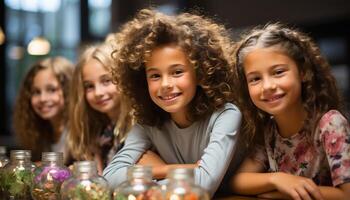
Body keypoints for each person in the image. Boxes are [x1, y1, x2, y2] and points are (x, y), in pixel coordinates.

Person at [103, 9, 242, 197]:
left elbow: (204, 184)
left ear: (201, 73)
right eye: (155, 75)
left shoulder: (226, 115)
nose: (166, 84)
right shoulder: (147, 123)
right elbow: (109, 178)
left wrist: (148, 173)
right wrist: (170, 169)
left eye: (177, 72)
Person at [230, 22, 350, 200]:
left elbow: (347, 195)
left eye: (278, 72)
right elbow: (238, 181)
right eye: (255, 79)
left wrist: (281, 194)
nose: (268, 86)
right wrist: (277, 179)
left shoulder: (330, 124)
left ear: (303, 72)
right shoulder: (269, 130)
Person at [67, 42, 133, 175]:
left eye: (106, 81)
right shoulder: (98, 131)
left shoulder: (139, 128)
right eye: (89, 86)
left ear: (123, 79)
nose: (98, 92)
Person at [13, 56, 74, 162]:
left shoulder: (82, 132)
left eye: (51, 90)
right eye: (36, 92)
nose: (42, 98)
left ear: (69, 90)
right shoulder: (38, 132)